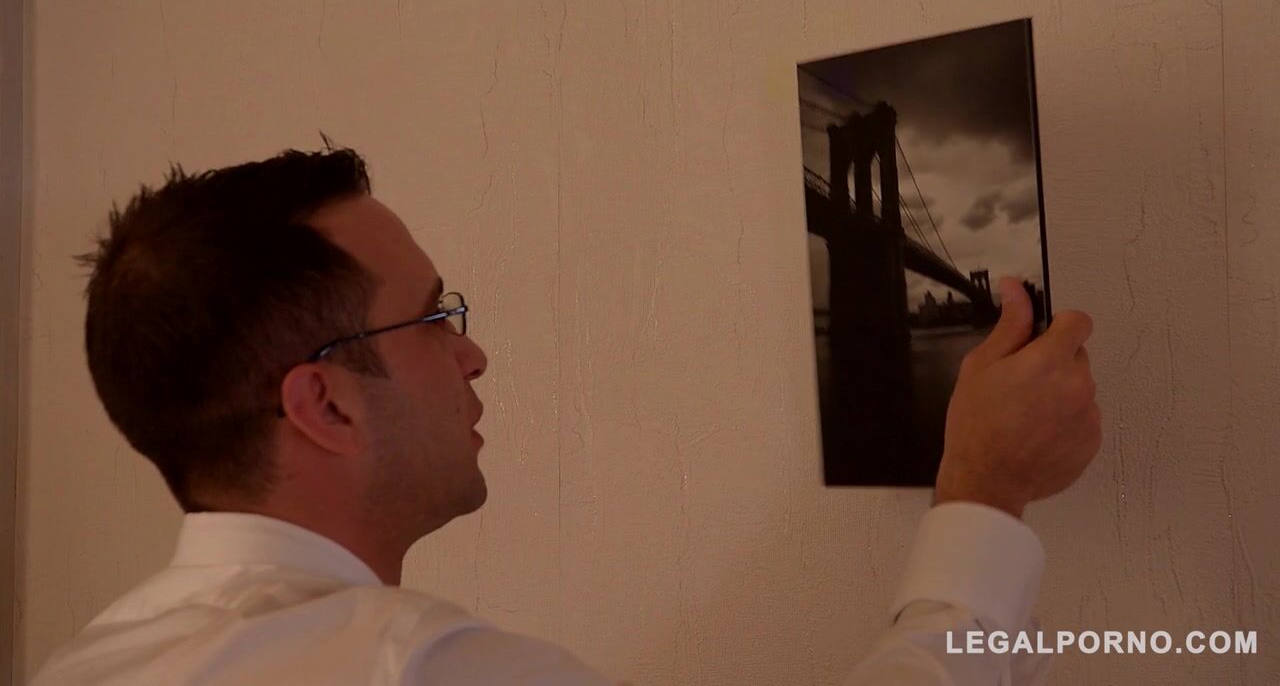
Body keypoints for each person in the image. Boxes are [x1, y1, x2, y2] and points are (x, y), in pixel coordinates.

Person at [29, 143, 1100, 686]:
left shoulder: (86, 667)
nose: (472, 353)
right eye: (432, 319)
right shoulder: (409, 668)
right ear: (323, 404)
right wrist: (983, 496)